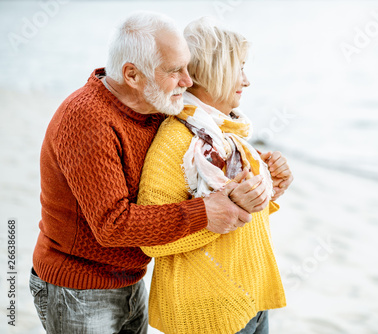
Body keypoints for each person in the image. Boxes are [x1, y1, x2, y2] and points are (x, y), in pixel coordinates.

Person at [29, 12, 262, 334]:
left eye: (187, 67)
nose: (188, 81)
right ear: (132, 75)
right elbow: (112, 225)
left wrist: (262, 163)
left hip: (131, 278)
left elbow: (202, 137)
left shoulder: (156, 105)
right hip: (78, 288)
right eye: (174, 71)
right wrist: (204, 213)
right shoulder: (87, 120)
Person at [138, 17, 293, 334]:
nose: (247, 80)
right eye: (240, 68)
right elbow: (150, 240)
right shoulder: (176, 140)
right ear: (212, 73)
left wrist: (271, 189)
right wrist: (228, 208)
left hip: (251, 301)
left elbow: (242, 212)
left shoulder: (226, 134)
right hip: (207, 314)